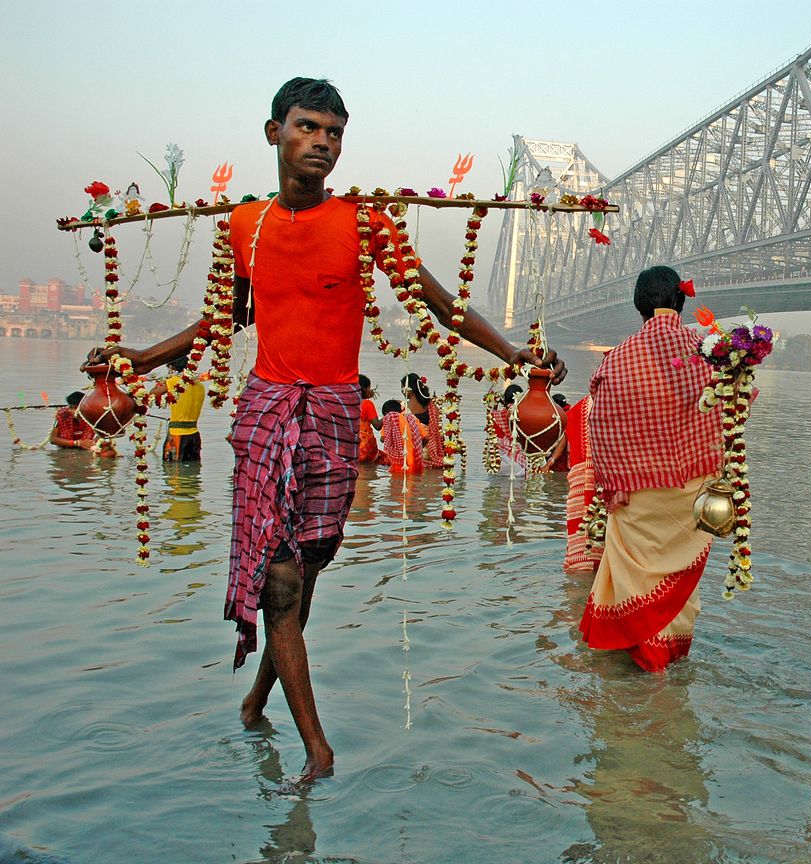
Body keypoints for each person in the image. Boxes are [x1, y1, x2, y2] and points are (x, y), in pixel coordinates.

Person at [83, 77, 561, 780]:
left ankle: (255, 704)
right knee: (279, 582)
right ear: (273, 132)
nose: (323, 144)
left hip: (335, 414)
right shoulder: (244, 226)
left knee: (304, 577)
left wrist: (514, 352)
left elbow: (433, 299)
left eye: (335, 133)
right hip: (268, 408)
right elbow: (225, 319)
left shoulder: (367, 222)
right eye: (308, 128)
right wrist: (142, 356)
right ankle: (318, 749)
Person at [577, 265, 722, 672]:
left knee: (636, 577)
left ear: (639, 305)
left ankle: (640, 658)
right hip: (692, 493)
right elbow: (737, 403)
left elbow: (599, 428)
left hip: (635, 494)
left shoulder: (615, 361)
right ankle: (669, 663)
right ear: (681, 299)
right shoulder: (709, 353)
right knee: (678, 582)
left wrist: (611, 484)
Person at [559, 394, 600, 572]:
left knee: (580, 561)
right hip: (609, 486)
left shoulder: (575, 411)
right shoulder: (625, 402)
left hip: (578, 486)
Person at [380, 373, 443, 474]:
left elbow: (385, 437)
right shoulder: (432, 407)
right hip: (432, 454)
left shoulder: (401, 407)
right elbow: (436, 433)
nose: (401, 391)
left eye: (402, 388)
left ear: (409, 389)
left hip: (409, 453)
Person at [151, 356, 206, 462]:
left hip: (177, 435)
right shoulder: (200, 385)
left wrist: (160, 383)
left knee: (173, 472)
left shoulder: (174, 382)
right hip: (194, 436)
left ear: (173, 368)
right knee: (192, 473)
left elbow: (153, 394)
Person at [357, 374, 380, 463]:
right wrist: (390, 413)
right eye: (369, 388)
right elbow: (377, 426)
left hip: (350, 446)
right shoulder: (367, 404)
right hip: (366, 447)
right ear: (365, 389)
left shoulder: (347, 403)